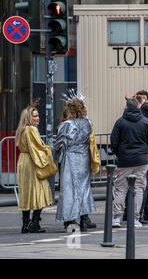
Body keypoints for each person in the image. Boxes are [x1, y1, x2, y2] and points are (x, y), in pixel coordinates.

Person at [55, 92, 98, 232]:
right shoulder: (88, 123)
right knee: (84, 188)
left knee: (69, 189)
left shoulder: (66, 125)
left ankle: (70, 220)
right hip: (84, 158)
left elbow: (59, 143)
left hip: (70, 159)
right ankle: (84, 219)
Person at [111, 97, 148, 228]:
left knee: (121, 188)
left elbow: (114, 142)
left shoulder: (120, 122)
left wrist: (120, 153)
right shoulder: (146, 122)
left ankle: (117, 218)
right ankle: (136, 218)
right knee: (139, 188)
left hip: (124, 160)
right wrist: (144, 151)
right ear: (138, 107)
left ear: (126, 107)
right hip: (141, 160)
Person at [16, 105, 54, 233]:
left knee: (26, 193)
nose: (38, 118)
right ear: (29, 117)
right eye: (35, 116)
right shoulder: (31, 129)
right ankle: (34, 223)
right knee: (41, 191)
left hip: (23, 161)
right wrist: (48, 151)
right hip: (32, 162)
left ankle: (25, 224)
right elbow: (37, 148)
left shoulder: (21, 129)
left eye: (38, 115)